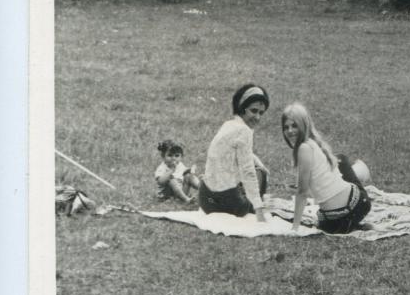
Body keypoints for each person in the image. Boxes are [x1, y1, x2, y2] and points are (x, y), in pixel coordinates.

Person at [281, 103, 372, 234]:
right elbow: (309, 189)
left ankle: (361, 171)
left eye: (294, 125)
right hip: (347, 213)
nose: (290, 131)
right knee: (340, 159)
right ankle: (359, 171)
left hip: (338, 217)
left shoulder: (304, 148)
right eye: (286, 127)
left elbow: (302, 192)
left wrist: (294, 228)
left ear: (304, 125)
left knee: (340, 160)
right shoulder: (310, 145)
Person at [198, 83, 271, 221]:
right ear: (243, 108)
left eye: (261, 113)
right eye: (253, 111)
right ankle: (254, 205)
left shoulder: (228, 125)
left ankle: (243, 194)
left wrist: (259, 162)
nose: (257, 117)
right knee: (260, 174)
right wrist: (259, 210)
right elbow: (248, 171)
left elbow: (243, 152)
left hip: (205, 202)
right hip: (227, 205)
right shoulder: (244, 131)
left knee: (256, 169)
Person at [153, 139, 201, 204]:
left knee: (189, 176)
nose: (173, 158)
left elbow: (185, 173)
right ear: (163, 156)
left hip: (180, 193)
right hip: (167, 195)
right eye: (170, 155)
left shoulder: (180, 165)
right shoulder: (162, 168)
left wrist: (191, 170)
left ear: (181, 157)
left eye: (177, 155)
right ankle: (186, 199)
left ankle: (202, 188)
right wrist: (171, 171)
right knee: (170, 178)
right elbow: (160, 181)